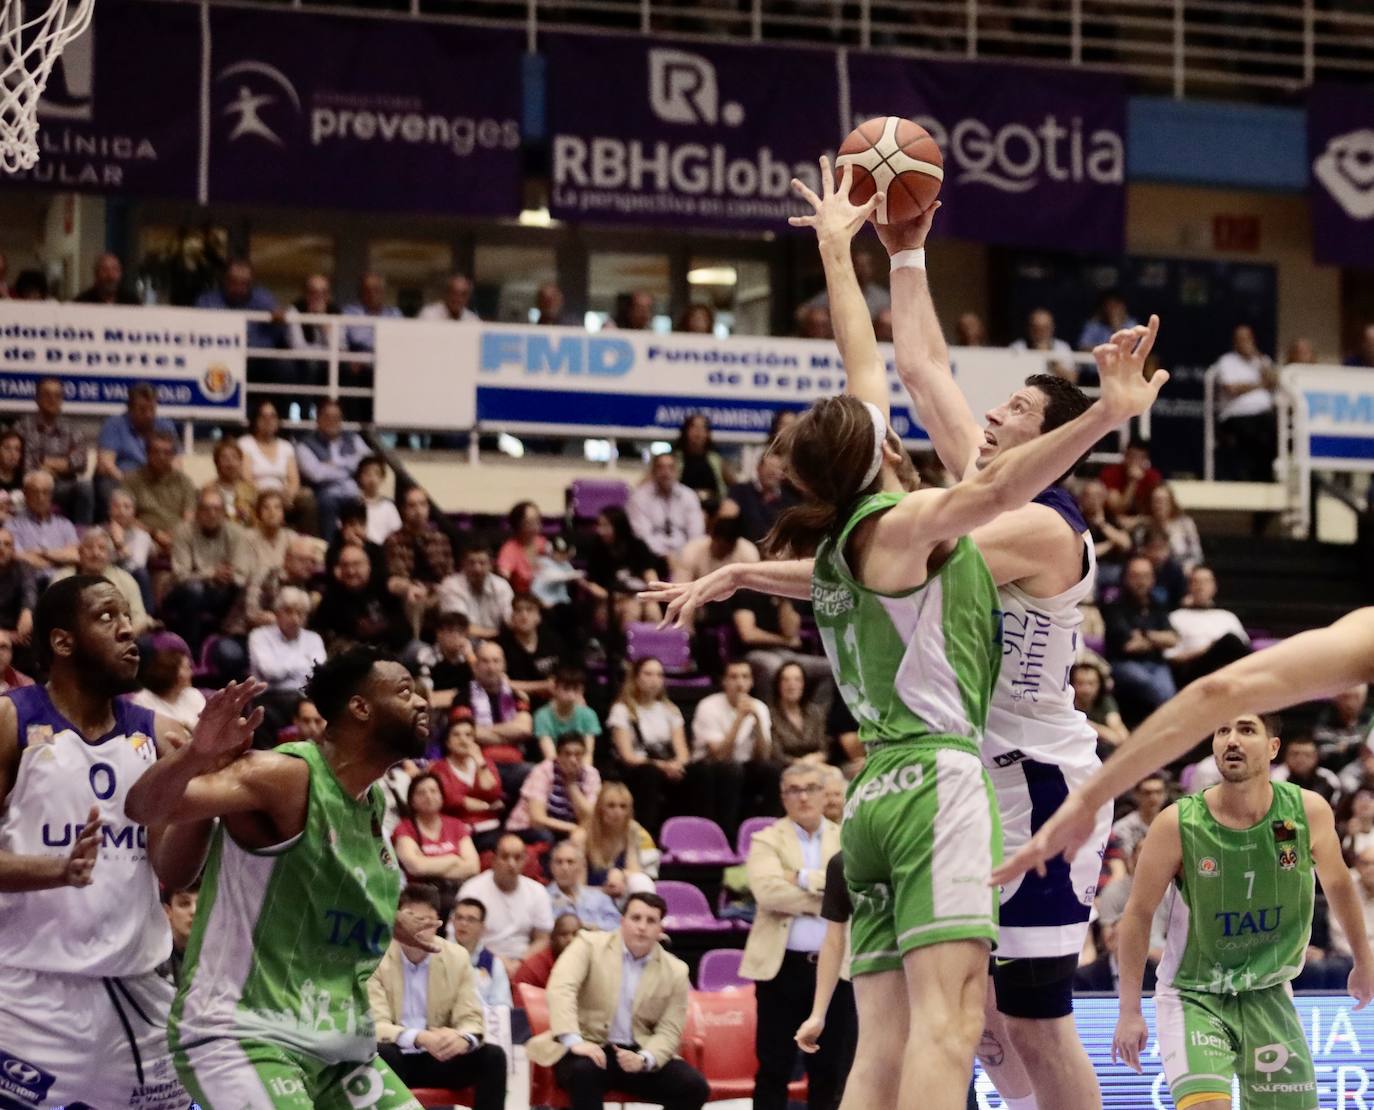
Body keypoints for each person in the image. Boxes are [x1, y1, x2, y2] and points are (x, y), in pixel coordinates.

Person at [650, 160, 1163, 1110]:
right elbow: (919, 370)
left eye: (1012, 410)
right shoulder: (932, 515)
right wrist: (909, 253)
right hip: (949, 773)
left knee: (1025, 1021)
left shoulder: (1037, 525)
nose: (990, 412)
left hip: (1028, 781)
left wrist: (744, 570)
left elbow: (918, 434)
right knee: (969, 1027)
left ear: (1039, 439)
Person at [125, 645, 443, 1106]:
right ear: (360, 707)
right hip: (245, 1035)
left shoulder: (371, 802)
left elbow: (326, 878)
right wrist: (197, 753)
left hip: (337, 1046)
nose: (421, 702)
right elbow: (144, 808)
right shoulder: (285, 775)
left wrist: (390, 919)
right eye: (405, 691)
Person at [0, 575, 222, 1109]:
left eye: (129, 617)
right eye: (107, 617)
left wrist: (203, 782)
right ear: (62, 641)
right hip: (30, 998)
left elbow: (175, 872)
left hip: (137, 993)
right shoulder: (11, 719)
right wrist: (56, 870)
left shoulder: (166, 735)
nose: (129, 630)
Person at [1109, 713, 1374, 1108]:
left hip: (1268, 991)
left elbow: (1338, 885)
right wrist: (1129, 1009)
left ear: (1273, 748)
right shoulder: (1177, 824)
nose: (1231, 740)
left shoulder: (1307, 812)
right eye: (1222, 731)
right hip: (1194, 994)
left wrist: (1364, 960)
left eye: (1246, 730)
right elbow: (1137, 914)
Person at [527, 892, 710, 1110]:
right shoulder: (588, 944)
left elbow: (670, 1028)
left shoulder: (676, 971)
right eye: (636, 918)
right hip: (587, 1045)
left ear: (660, 929)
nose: (642, 927)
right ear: (622, 921)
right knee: (584, 1072)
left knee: (695, 1087)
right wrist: (575, 1042)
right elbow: (561, 988)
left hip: (637, 1051)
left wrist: (645, 1059)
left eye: (651, 921)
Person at [742, 763, 846, 1110]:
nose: (803, 796)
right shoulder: (765, 839)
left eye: (811, 788)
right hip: (780, 969)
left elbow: (856, 893)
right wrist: (828, 894)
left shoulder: (845, 836)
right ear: (783, 797)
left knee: (830, 1068)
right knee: (774, 1066)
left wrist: (798, 877)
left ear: (823, 793)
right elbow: (768, 893)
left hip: (835, 972)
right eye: (794, 790)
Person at [368, 883, 507, 1110]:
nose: (418, 927)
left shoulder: (457, 957)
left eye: (426, 920)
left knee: (493, 1056)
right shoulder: (376, 958)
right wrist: (419, 1037)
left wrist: (464, 1038)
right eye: (410, 918)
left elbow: (471, 1017)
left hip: (440, 1056)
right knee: (380, 1053)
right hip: (397, 1056)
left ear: (439, 922)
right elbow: (375, 1025)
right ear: (397, 922)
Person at [793, 847, 859, 1106]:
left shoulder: (925, 851)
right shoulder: (842, 862)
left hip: (920, 988)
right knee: (855, 1083)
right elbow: (833, 942)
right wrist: (817, 1015)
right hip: (865, 990)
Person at [689, 657, 778, 838]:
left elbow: (763, 756)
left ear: (752, 682)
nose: (740, 683)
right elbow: (719, 754)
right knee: (731, 770)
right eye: (734, 677)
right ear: (724, 681)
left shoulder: (759, 707)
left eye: (745, 677)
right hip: (709, 767)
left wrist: (758, 725)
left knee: (773, 770)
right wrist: (739, 719)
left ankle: (770, 832)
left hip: (742, 765)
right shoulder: (708, 706)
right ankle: (726, 836)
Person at [605, 657, 689, 837]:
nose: (654, 680)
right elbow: (627, 755)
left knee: (698, 772)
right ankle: (647, 834)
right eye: (648, 674)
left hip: (666, 764)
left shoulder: (670, 709)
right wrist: (662, 766)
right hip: (635, 768)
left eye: (659, 675)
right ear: (635, 678)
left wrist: (676, 764)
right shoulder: (622, 710)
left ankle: (688, 833)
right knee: (649, 773)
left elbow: (682, 752)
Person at [457, 833, 555, 979]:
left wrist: (520, 963)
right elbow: (460, 936)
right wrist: (499, 963)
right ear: (494, 859)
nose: (511, 864)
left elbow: (543, 938)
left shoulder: (537, 891)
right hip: (481, 959)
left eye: (517, 858)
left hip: (524, 961)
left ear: (525, 860)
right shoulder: (472, 890)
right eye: (505, 857)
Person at [391, 777, 479, 918]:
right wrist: (454, 859)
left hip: (456, 889)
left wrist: (430, 865)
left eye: (433, 791)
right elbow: (416, 867)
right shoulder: (405, 828)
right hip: (420, 896)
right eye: (421, 792)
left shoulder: (456, 825)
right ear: (412, 800)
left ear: (442, 796)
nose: (428, 796)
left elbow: (473, 866)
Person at [1104, 554, 1179, 720]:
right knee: (1151, 685)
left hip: (1156, 663)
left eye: (1146, 576)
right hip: (1124, 664)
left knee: (1168, 691)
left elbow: (1173, 639)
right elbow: (1129, 646)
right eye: (1136, 576)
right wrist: (1158, 640)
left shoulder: (1157, 605)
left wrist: (1145, 635)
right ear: (1125, 578)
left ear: (1153, 578)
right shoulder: (1114, 607)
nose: (1141, 581)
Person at [15, 375, 93, 524]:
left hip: (62, 487)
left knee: (85, 487)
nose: (52, 399)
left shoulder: (72, 428)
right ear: (37, 398)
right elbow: (26, 463)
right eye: (47, 395)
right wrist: (63, 464)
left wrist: (45, 462)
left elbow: (81, 462)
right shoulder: (23, 427)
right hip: (32, 485)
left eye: (57, 395)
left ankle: (84, 537)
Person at [96, 382, 180, 515]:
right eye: (142, 410)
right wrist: (131, 482)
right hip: (122, 479)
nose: (148, 415)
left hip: (157, 480)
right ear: (130, 409)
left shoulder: (165, 426)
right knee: (110, 489)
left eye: (152, 409)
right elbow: (105, 464)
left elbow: (176, 463)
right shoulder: (114, 424)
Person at [384, 486, 454, 638]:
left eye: (422, 504)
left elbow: (448, 573)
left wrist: (436, 590)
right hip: (411, 590)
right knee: (414, 597)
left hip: (437, 591)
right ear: (403, 510)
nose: (418, 510)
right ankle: (415, 645)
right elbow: (396, 574)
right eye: (412, 505)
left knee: (452, 593)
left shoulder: (440, 539)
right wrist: (412, 587)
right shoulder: (394, 540)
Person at [1213, 324, 1278, 483]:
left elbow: (1273, 381)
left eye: (1248, 338)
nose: (1245, 342)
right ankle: (1249, 476)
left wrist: (1259, 359)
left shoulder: (1262, 360)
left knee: (1274, 428)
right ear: (1235, 342)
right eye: (1240, 339)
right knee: (1252, 431)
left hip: (1264, 415)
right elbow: (1231, 389)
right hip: (1236, 415)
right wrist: (1259, 384)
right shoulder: (1227, 361)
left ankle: (1265, 476)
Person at [296, 399, 369, 540]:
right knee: (328, 502)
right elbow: (316, 474)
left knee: (361, 503)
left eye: (336, 417)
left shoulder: (353, 439)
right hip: (324, 492)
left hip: (352, 492)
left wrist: (333, 465)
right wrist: (349, 465)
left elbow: (366, 462)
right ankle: (330, 549)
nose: (332, 421)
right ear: (317, 419)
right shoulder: (305, 444)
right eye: (327, 417)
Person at [508, 732, 600, 842]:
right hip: (528, 827)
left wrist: (571, 785)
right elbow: (537, 819)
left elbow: (589, 816)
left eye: (578, 754)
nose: (573, 760)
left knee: (585, 838)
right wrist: (575, 828)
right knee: (546, 836)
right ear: (558, 755)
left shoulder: (591, 774)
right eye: (567, 754)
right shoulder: (543, 770)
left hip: (569, 829)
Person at [429, 712, 505, 844]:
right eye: (456, 735)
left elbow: (493, 792)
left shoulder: (486, 763)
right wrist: (488, 807)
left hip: (490, 828)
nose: (463, 740)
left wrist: (479, 761)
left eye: (468, 735)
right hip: (457, 831)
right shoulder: (439, 768)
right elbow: (452, 799)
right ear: (447, 742)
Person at [572, 781, 653, 899]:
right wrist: (604, 892)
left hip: (618, 894)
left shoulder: (631, 830)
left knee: (641, 881)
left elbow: (635, 871)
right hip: (589, 897)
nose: (618, 812)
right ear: (600, 809)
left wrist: (621, 874)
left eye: (623, 806)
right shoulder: (581, 837)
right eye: (611, 806)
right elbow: (577, 888)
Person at [123, 430, 197, 559]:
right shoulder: (132, 480)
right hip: (145, 537)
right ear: (147, 453)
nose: (161, 456)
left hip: (177, 538)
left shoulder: (184, 482)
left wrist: (174, 537)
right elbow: (125, 517)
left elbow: (189, 518)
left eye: (167, 453)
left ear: (173, 455)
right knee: (140, 540)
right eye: (156, 452)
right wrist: (154, 533)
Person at [238, 400, 310, 527]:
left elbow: (294, 480)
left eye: (272, 416)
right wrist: (271, 497)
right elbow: (246, 478)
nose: (268, 420)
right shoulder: (245, 444)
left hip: (284, 496)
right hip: (256, 495)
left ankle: (306, 543)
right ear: (255, 420)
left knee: (308, 501)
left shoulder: (286, 446)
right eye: (263, 416)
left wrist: (289, 496)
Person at [625, 453, 705, 562]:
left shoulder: (689, 495)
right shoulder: (639, 497)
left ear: (677, 471)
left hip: (685, 554)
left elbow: (696, 533)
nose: (666, 472)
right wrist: (665, 555)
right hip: (651, 555)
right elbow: (642, 535)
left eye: (670, 467)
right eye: (660, 467)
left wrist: (685, 555)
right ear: (653, 472)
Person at [498, 592, 567, 704]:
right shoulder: (502, 646)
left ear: (538, 617)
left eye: (529, 610)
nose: (524, 615)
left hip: (555, 701)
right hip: (518, 703)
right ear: (512, 617)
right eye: (518, 610)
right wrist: (542, 686)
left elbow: (565, 677)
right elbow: (501, 683)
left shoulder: (553, 641)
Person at [449, 896, 515, 1010]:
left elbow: (502, 1007)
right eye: (459, 918)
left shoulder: (493, 963)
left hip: (481, 1023)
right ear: (452, 922)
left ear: (482, 927)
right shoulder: (438, 955)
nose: (463, 923)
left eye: (471, 919)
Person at [9, 469, 79, 576]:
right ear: (25, 494)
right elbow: (18, 557)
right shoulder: (13, 525)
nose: (40, 497)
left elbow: (75, 555)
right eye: (35, 492)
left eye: (45, 492)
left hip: (61, 583)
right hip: (29, 583)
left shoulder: (65, 525)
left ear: (51, 495)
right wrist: (58, 559)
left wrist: (42, 552)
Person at [438, 544, 514, 641]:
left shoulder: (502, 586)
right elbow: (459, 627)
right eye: (471, 563)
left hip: (497, 642)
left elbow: (510, 620)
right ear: (463, 564)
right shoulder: (451, 585)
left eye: (482, 563)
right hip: (461, 641)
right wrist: (499, 634)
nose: (477, 568)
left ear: (491, 564)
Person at [546, 840, 623, 931]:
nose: (565, 868)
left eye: (570, 862)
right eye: (559, 862)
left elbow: (618, 924)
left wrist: (591, 927)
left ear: (581, 866)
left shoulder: (599, 897)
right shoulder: (543, 898)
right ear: (551, 867)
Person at [533, 666, 601, 764]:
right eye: (566, 689)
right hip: (553, 769)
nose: (571, 694)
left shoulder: (589, 715)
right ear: (555, 688)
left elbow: (588, 754)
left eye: (576, 689)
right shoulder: (542, 716)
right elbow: (550, 756)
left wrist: (584, 776)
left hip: (580, 768)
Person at [132, 643, 207, 731]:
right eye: (187, 668)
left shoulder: (194, 694)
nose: (192, 673)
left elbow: (207, 729)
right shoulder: (142, 700)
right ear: (171, 673)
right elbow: (138, 738)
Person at [770, 659, 828, 765]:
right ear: (778, 685)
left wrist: (814, 759)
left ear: (804, 684)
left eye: (797, 680)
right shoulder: (770, 715)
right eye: (785, 680)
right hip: (785, 768)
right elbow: (775, 754)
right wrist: (801, 764)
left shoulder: (816, 712)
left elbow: (824, 749)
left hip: (815, 764)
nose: (791, 685)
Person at [1098, 436, 1163, 525]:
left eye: (1140, 458)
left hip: (1145, 522)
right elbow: (1117, 509)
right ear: (1125, 456)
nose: (1135, 461)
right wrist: (1133, 482)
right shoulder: (1111, 473)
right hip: (1112, 521)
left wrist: (1137, 521)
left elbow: (1159, 510)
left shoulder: (1152, 477)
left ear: (1145, 460)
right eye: (1132, 456)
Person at [513, 911, 584, 991]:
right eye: (564, 934)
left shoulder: (590, 961)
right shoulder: (532, 969)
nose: (570, 940)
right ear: (552, 938)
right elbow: (521, 1000)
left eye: (575, 934)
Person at [1070, 660, 1128, 757]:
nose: (1086, 689)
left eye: (1091, 683)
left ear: (1100, 685)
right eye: (1080, 683)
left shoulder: (1105, 701)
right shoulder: (1067, 703)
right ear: (1072, 684)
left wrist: (1088, 725)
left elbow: (1120, 736)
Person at [672, 413, 731, 508]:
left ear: (708, 434)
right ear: (685, 432)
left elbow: (736, 486)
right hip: (681, 509)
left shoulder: (716, 460)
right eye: (694, 427)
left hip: (713, 511)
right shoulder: (675, 459)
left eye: (703, 428)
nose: (698, 432)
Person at [1112, 772, 1170, 861]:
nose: (1153, 798)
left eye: (1158, 792)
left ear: (1165, 794)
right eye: (1147, 793)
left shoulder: (1173, 825)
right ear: (1136, 795)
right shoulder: (1122, 828)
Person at [1271, 734, 1342, 804]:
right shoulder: (1276, 779)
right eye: (1295, 754)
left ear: (1316, 757)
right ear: (1285, 757)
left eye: (1307, 755)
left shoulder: (1329, 778)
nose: (1301, 759)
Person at [497, 500, 547, 596]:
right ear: (518, 525)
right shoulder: (509, 549)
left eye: (538, 521)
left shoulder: (543, 543)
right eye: (530, 522)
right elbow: (503, 577)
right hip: (522, 599)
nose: (537, 526)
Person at [206, 439, 258, 528]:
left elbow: (258, 522)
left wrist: (248, 517)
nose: (230, 462)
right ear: (216, 463)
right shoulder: (208, 490)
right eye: (224, 458)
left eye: (234, 457)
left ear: (241, 462)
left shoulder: (251, 489)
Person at [159, 881, 199, 989]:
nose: (194, 911)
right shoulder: (155, 960)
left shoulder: (221, 957)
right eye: (184, 903)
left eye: (201, 903)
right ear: (167, 911)